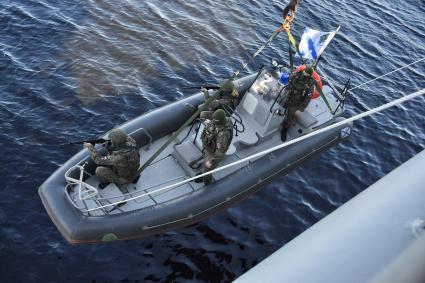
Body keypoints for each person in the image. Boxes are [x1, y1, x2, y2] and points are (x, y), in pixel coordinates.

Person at [278, 65, 317, 141]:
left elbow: (307, 98)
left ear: (309, 74)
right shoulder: (296, 74)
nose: (304, 74)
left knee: (290, 117)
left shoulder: (310, 84)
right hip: (287, 96)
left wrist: (301, 109)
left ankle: (284, 130)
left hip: (296, 102)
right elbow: (288, 79)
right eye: (304, 72)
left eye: (306, 73)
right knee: (279, 107)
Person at [196, 109, 233, 185]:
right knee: (206, 161)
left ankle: (207, 182)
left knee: (207, 168)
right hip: (208, 145)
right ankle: (204, 172)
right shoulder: (220, 118)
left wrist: (211, 162)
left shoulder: (222, 136)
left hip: (213, 151)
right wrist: (206, 120)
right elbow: (203, 114)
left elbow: (220, 153)